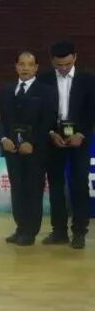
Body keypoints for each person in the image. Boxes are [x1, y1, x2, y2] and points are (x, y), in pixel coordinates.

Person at [37, 40, 94, 249]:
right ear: (52, 60)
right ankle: (59, 231)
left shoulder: (88, 80)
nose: (63, 68)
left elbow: (92, 111)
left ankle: (79, 231)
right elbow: (40, 111)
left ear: (75, 58)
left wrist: (81, 133)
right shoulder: (43, 79)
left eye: (67, 64)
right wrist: (51, 132)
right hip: (54, 137)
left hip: (79, 137)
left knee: (79, 183)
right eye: (58, 65)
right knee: (56, 185)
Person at [0, 51, 55, 247]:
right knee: (17, 189)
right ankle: (20, 227)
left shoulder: (46, 91)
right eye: (21, 64)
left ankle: (30, 231)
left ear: (36, 68)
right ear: (16, 66)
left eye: (30, 64)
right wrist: (4, 138)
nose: (25, 68)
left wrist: (33, 142)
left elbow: (48, 120)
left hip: (35, 152)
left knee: (32, 190)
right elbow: (0, 119)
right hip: (11, 150)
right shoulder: (6, 90)